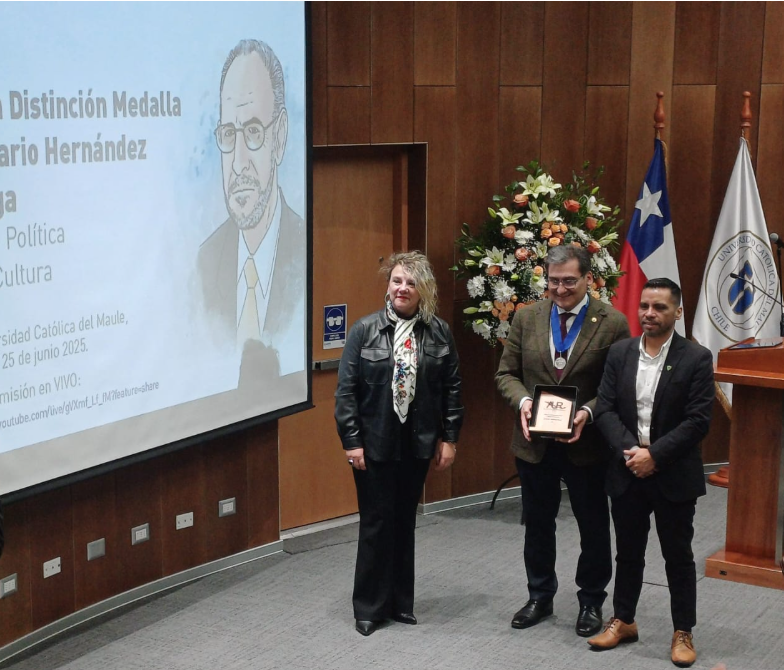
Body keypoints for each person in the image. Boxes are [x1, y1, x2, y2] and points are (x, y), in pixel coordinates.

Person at [495, 245, 630, 638]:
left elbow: (618, 386)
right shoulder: (527, 317)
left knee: (593, 525)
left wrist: (587, 412)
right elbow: (507, 374)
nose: (560, 289)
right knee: (537, 524)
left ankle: (591, 600)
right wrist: (523, 402)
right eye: (553, 281)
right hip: (534, 444)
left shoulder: (612, 322)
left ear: (588, 278)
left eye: (569, 281)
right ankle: (540, 596)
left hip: (586, 444)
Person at [335, 251, 464, 636]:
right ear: (388, 286)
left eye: (411, 282)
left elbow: (452, 389)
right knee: (376, 524)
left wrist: (449, 438)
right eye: (397, 281)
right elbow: (346, 393)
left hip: (417, 444)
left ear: (423, 289)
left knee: (404, 522)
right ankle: (368, 607)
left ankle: (400, 603)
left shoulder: (439, 332)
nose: (402, 288)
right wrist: (352, 441)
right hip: (373, 445)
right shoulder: (364, 330)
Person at [588, 278, 714, 668]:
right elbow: (605, 409)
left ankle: (683, 631)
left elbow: (698, 420)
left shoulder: (696, 357)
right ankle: (624, 620)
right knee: (628, 552)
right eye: (644, 306)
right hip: (627, 469)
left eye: (659, 307)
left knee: (678, 556)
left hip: (673, 473)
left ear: (678, 312)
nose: (649, 313)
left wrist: (654, 455)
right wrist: (633, 453)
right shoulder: (621, 352)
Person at [198, 38, 306, 378]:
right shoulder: (205, 263)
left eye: (254, 132)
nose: (238, 162)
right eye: (229, 135)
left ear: (280, 137)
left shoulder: (305, 250)